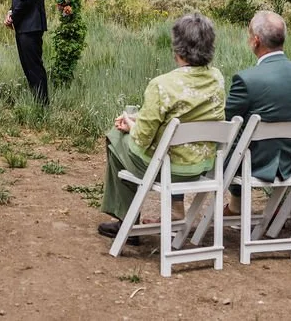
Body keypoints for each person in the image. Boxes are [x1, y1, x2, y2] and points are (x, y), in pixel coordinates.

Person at [97, 13, 226, 240]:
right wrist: (137, 119)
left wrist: (128, 124)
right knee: (169, 143)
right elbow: (185, 116)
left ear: (177, 47)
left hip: (170, 170)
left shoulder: (162, 85)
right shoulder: (217, 79)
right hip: (201, 167)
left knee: (116, 137)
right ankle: (174, 210)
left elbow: (142, 140)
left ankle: (127, 220)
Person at [224, 10, 291, 215]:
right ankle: (236, 205)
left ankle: (180, 207)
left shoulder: (246, 79)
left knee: (228, 143)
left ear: (256, 41)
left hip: (253, 163)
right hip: (290, 160)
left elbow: (229, 123)